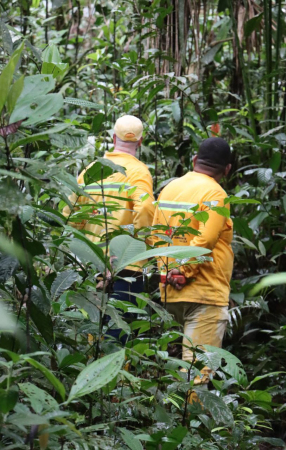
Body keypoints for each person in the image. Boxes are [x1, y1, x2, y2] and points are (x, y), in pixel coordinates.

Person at [63, 115, 155, 341]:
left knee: (93, 330)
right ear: (140, 142)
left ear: (113, 138)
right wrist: (141, 245)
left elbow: (69, 215)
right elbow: (144, 208)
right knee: (118, 331)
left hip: (92, 264)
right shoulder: (138, 172)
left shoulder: (92, 169)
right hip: (125, 266)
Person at [152, 137, 233, 384]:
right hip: (204, 293)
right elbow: (205, 240)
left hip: (172, 292)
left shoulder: (170, 188)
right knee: (197, 373)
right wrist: (183, 271)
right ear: (227, 169)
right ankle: (187, 421)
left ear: (195, 160)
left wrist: (167, 272)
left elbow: (156, 234)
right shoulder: (215, 193)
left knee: (184, 368)